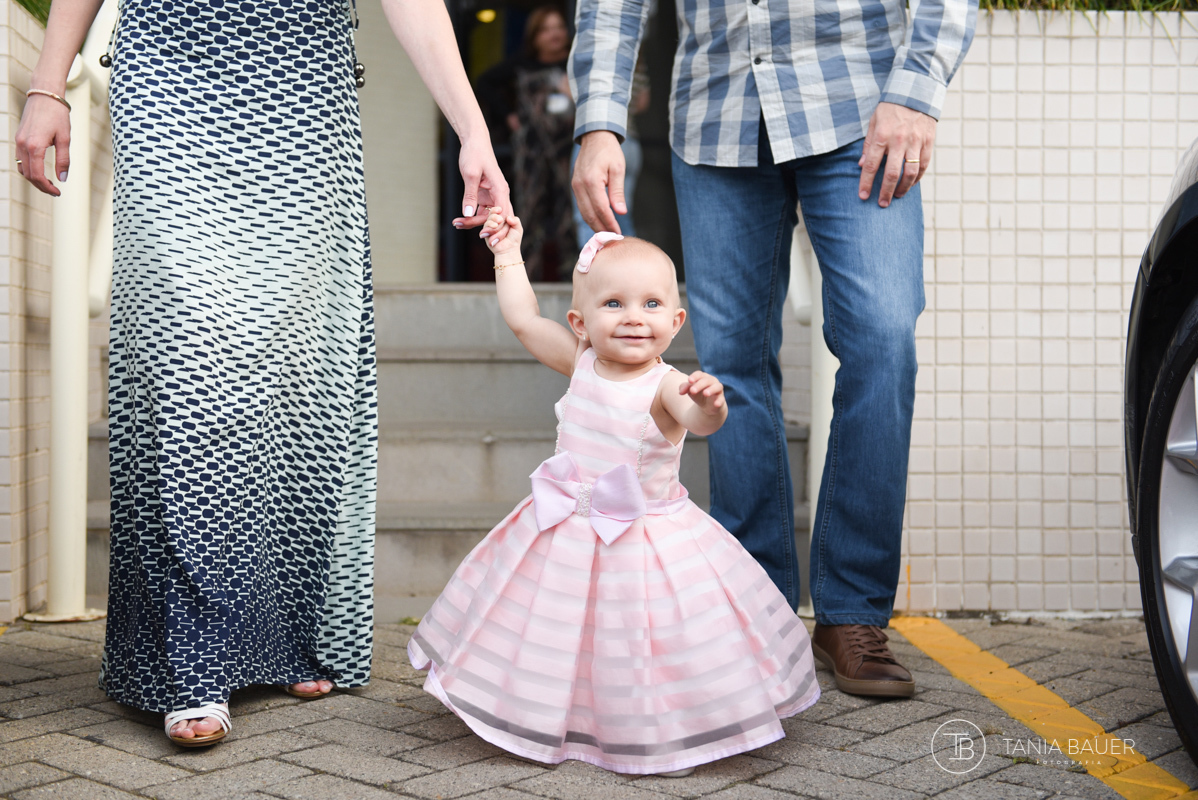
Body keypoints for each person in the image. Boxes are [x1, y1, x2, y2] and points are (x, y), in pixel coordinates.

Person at [16, 0, 510, 747]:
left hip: (304, 91)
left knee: (295, 371)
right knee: (190, 358)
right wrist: (47, 85)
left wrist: (472, 129)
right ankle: (193, 662)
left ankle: (281, 638)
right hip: (169, 75)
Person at [570, 0, 977, 697]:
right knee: (730, 367)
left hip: (859, 107)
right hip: (716, 116)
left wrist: (915, 91)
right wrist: (600, 123)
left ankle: (851, 611)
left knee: (882, 339)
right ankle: (756, 607)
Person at [407, 217, 820, 775]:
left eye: (651, 304)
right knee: (559, 632)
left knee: (637, 639)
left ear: (675, 320)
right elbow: (524, 319)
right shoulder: (580, 362)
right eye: (613, 304)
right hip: (562, 533)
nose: (633, 317)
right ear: (580, 322)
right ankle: (552, 713)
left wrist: (711, 404)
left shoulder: (666, 385)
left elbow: (699, 421)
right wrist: (507, 252)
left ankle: (651, 728)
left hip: (643, 541)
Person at [477, 7, 576, 279]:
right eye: (546, 29)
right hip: (531, 152)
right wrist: (508, 115)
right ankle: (526, 277)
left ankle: (573, 276)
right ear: (534, 36)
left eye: (559, 27)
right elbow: (484, 83)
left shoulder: (574, 64)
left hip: (567, 149)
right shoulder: (521, 64)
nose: (554, 35)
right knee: (529, 212)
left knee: (570, 213)